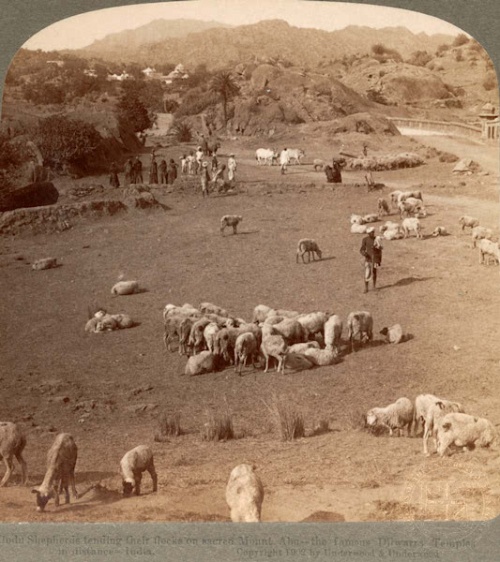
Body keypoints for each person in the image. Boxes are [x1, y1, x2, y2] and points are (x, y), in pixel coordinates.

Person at [360, 226, 382, 293]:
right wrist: (364, 253)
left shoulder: (377, 239)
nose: (373, 234)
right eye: (371, 233)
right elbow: (362, 249)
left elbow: (380, 248)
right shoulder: (365, 239)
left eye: (373, 232)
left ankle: (374, 287)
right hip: (368, 259)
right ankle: (366, 288)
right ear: (368, 233)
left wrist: (377, 248)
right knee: (367, 273)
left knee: (374, 272)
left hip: (375, 259)